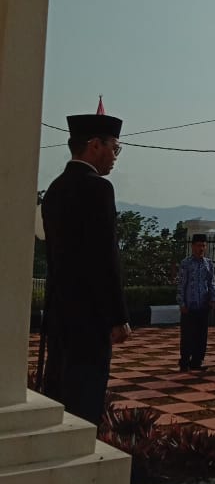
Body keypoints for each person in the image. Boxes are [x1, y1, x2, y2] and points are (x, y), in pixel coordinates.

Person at [41, 113, 130, 425]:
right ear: (95, 145)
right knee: (85, 403)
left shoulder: (54, 189)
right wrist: (118, 317)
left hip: (59, 314)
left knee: (58, 395)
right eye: (115, 148)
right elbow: (105, 259)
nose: (115, 157)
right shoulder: (98, 189)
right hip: (90, 318)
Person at [177, 234, 215, 371]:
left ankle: (197, 361)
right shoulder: (186, 263)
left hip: (203, 305)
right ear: (192, 246)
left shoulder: (208, 264)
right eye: (199, 245)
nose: (201, 248)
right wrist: (182, 303)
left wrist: (212, 298)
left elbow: (211, 282)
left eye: (203, 245)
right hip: (189, 306)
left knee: (201, 336)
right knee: (188, 336)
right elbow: (181, 284)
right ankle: (184, 362)